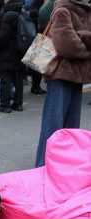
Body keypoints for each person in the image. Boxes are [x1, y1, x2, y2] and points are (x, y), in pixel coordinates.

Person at [35, 0, 91, 167]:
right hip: (60, 74)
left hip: (76, 76)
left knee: (71, 128)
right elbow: (66, 45)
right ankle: (43, 167)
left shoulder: (83, 8)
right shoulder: (63, 8)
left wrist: (81, 38)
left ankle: (63, 167)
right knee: (53, 126)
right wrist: (86, 49)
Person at [0, 0, 25, 113]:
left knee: (5, 78)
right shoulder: (23, 14)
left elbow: (3, 36)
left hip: (7, 52)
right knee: (18, 78)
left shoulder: (8, 16)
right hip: (20, 51)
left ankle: (4, 104)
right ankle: (18, 103)